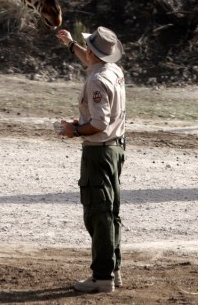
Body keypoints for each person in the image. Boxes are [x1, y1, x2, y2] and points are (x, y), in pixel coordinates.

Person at [55, 25, 126, 294]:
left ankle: (102, 277)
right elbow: (90, 60)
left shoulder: (96, 81)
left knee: (98, 214)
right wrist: (70, 44)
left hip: (99, 152)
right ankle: (113, 269)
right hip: (115, 148)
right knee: (111, 212)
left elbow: (98, 123)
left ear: (94, 53)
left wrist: (74, 130)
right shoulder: (114, 71)